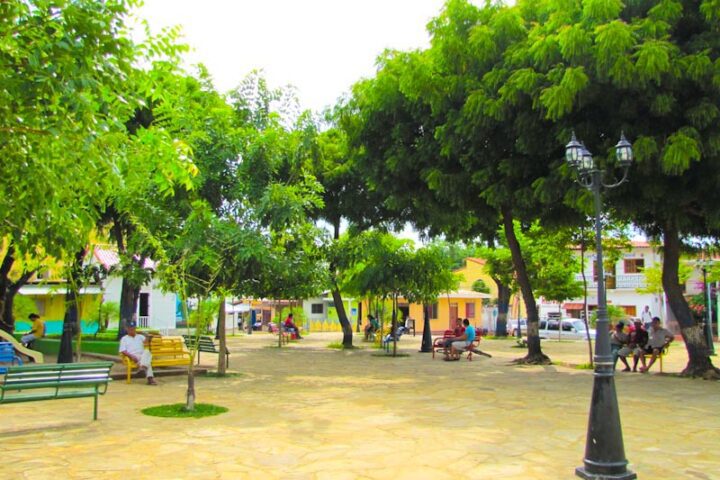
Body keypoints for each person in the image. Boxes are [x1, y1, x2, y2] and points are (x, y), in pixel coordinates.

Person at [119, 320, 157, 385]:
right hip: (133, 356)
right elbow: (123, 350)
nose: (132, 330)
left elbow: (146, 342)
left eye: (133, 328)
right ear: (127, 329)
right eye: (130, 329)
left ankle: (142, 368)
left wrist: (148, 336)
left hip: (142, 355)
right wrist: (131, 356)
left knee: (147, 352)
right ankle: (150, 378)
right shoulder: (124, 339)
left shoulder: (140, 336)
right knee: (147, 361)